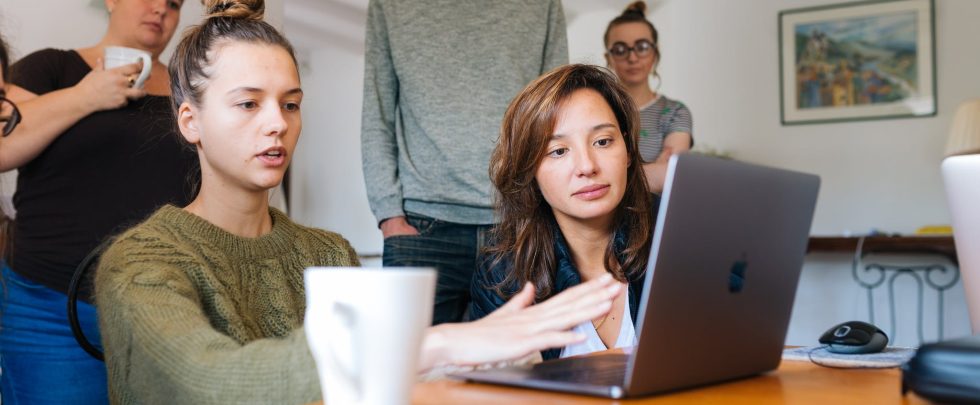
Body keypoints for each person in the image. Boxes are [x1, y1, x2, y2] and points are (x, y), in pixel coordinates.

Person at [94, 2, 622, 404]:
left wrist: (493, 361)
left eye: (291, 103)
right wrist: (433, 344)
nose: (277, 122)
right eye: (248, 103)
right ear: (191, 121)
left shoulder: (327, 252)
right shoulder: (140, 265)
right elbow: (210, 381)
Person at [0, 1, 197, 404]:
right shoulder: (53, 68)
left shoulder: (188, 93)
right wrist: (87, 96)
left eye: (174, 4)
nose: (161, 9)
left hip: (160, 311)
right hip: (47, 308)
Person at [360, 0, 569, 325]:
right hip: (420, 228)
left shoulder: (543, 5)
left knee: (516, 368)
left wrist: (547, 210)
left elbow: (557, 115)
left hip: (517, 223)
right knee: (410, 370)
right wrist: (389, 215)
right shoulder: (390, 4)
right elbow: (377, 113)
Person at [470, 64, 655, 361]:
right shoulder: (502, 275)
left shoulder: (678, 236)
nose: (586, 166)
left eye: (603, 141)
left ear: (628, 150)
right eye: (558, 151)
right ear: (529, 170)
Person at [604, 1, 692, 194]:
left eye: (642, 46)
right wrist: (650, 172)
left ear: (654, 52)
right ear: (608, 57)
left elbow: (670, 176)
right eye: (620, 49)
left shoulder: (676, 112)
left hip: (655, 218)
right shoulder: (598, 110)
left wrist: (606, 180)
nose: (632, 58)